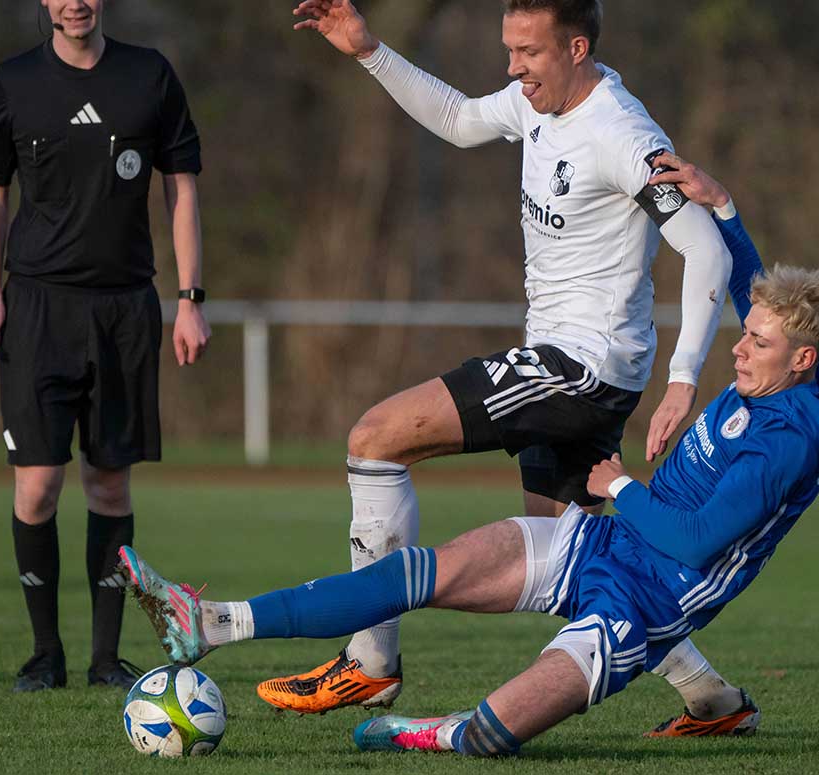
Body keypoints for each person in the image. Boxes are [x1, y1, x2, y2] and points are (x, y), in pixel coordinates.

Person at [118, 158, 819, 754]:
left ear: (803, 360)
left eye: (758, 343)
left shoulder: (789, 441)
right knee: (418, 571)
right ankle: (213, 622)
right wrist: (724, 206)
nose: (739, 348)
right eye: (747, 334)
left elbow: (698, 540)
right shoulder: (781, 367)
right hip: (606, 545)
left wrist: (621, 485)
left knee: (490, 734)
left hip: (651, 603)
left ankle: (428, 731)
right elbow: (750, 287)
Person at [272, 0, 739, 727]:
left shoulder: (622, 132)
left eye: (529, 52)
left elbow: (705, 247)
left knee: (375, 437)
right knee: (571, 559)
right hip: (578, 365)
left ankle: (370, 662)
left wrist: (683, 380)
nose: (514, 68)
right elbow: (460, 119)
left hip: (580, 367)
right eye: (509, 50)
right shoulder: (536, 103)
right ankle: (712, 698)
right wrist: (368, 50)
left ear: (576, 48)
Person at [0, 0, 210, 692]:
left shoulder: (149, 75)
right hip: (36, 308)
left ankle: (105, 659)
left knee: (108, 481)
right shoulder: (16, 80)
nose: (76, 2)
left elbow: (182, 187)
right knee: (38, 484)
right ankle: (45, 653)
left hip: (124, 307)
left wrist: (190, 298)